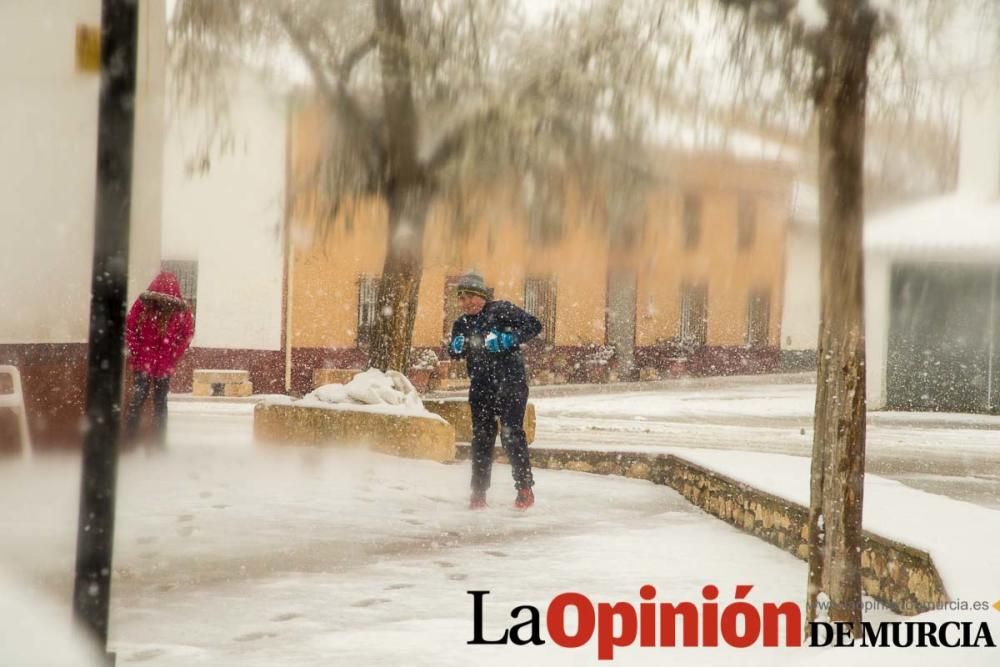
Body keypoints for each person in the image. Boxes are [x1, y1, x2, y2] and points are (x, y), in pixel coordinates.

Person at [447, 271, 542, 509]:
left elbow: (534, 325)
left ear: (483, 295)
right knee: (481, 439)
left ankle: (524, 489)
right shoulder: (461, 323)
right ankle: (478, 493)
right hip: (481, 386)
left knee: (511, 435)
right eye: (462, 298)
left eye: (471, 296)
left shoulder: (500, 310)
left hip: (511, 383)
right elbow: (456, 352)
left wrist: (509, 339)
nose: (467, 302)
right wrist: (456, 347)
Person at [123, 271, 195, 447]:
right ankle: (155, 441)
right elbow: (186, 336)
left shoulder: (145, 306)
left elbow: (130, 328)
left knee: (140, 401)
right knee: (158, 402)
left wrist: (139, 351)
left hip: (149, 362)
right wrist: (171, 355)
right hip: (155, 363)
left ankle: (133, 439)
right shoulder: (178, 311)